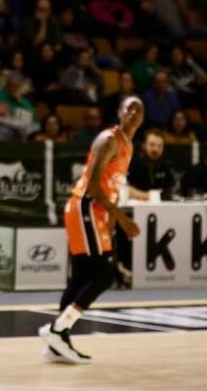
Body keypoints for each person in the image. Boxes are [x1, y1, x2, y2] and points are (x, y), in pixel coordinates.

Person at [40, 95, 143, 364]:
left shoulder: (128, 145)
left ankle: (57, 342)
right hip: (85, 206)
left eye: (139, 110)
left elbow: (113, 184)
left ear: (143, 118)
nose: (134, 112)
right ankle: (58, 329)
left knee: (83, 275)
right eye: (129, 108)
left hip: (94, 210)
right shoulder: (109, 139)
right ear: (119, 113)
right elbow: (94, 187)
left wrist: (112, 214)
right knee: (103, 276)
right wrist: (121, 218)